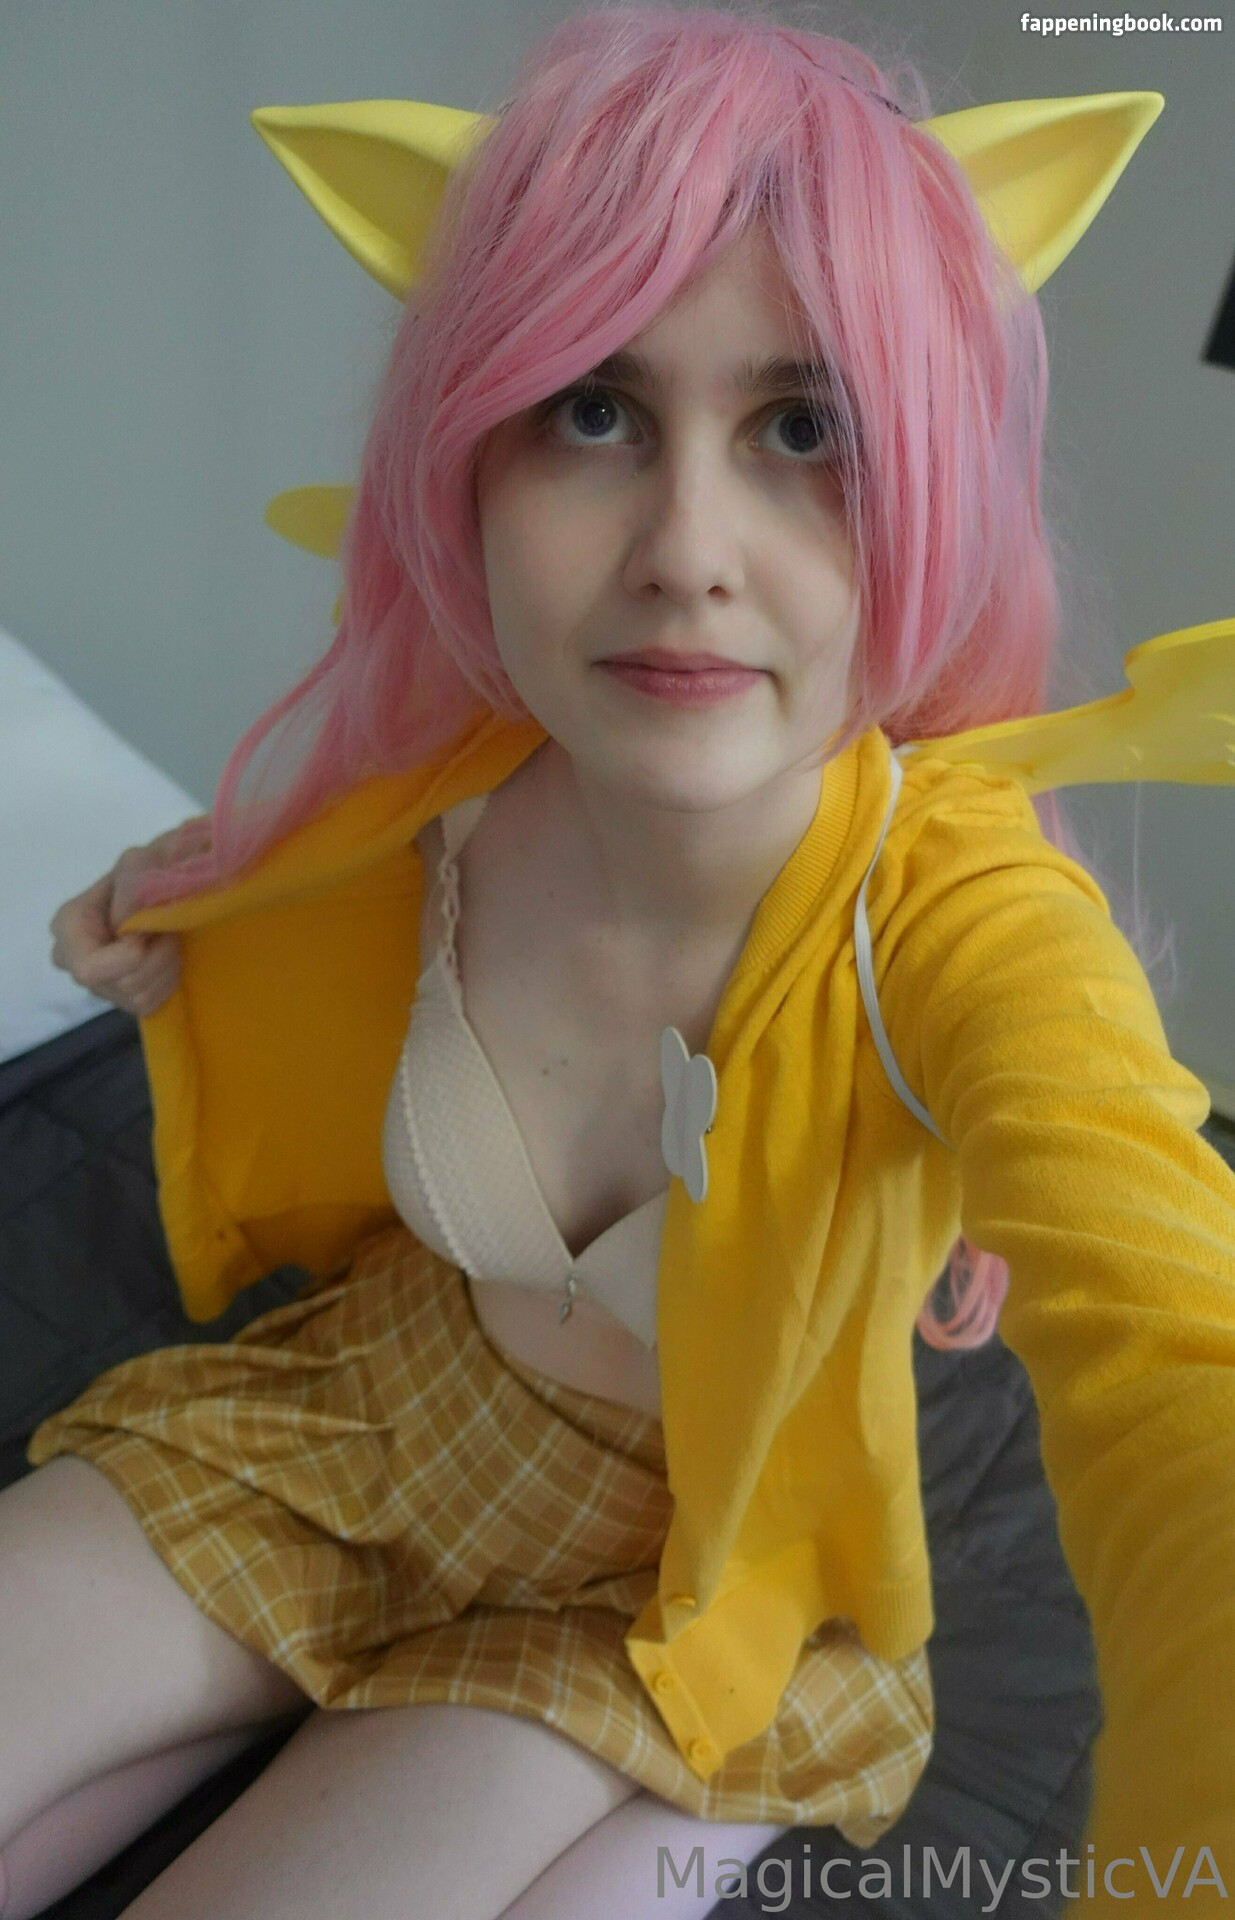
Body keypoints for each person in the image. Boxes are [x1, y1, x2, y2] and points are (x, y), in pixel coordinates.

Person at [6, 6, 1235, 1916]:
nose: (686, 550)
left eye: (806, 429)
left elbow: (1175, 1337)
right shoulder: (453, 783)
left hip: (690, 1581)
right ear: (471, 460)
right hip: (364, 1412)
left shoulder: (961, 920)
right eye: (593, 410)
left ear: (933, 477)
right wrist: (173, 906)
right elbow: (285, 881)